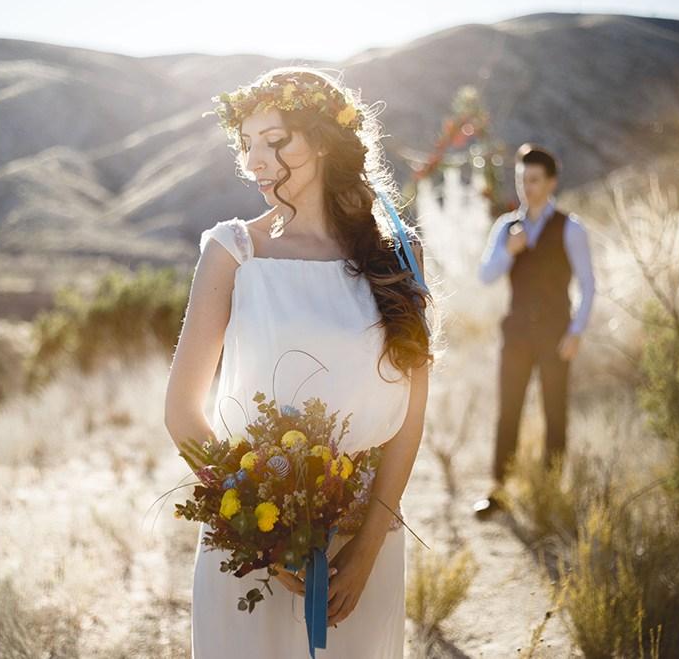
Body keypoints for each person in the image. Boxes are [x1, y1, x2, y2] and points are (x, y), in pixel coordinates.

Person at [163, 67, 437, 658]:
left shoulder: (399, 255)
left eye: (275, 141)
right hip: (251, 543)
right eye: (247, 145)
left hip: (363, 539)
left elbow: (409, 418)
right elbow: (182, 412)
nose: (255, 161)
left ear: (322, 140)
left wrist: (366, 549)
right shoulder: (232, 251)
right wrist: (259, 529)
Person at [472, 143, 595, 520]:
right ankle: (498, 491)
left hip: (556, 334)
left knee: (554, 413)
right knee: (508, 410)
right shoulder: (506, 228)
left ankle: (550, 492)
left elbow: (588, 285)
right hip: (516, 334)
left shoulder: (571, 228)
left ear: (551, 182)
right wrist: (509, 251)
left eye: (535, 180)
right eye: (522, 179)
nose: (527, 187)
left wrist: (576, 332)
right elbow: (485, 275)